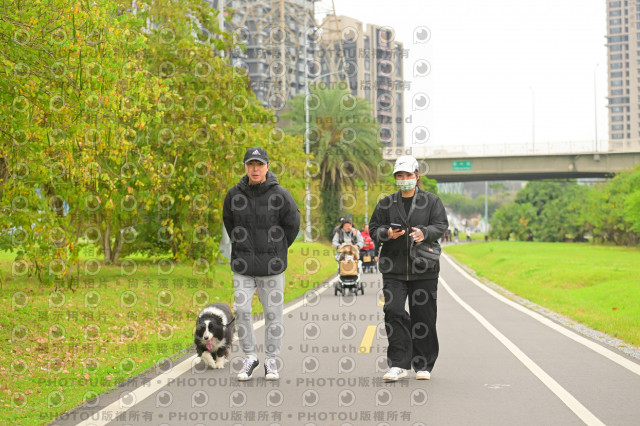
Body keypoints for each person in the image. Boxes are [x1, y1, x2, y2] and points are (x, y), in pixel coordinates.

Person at [223, 147, 300, 381]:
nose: (255, 169)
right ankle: (250, 357)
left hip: (272, 267)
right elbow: (229, 222)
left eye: (259, 164)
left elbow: (293, 223)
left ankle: (271, 360)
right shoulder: (234, 194)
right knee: (242, 309)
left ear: (267, 166)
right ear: (245, 167)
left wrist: (278, 248)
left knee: (273, 314)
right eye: (250, 164)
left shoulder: (280, 194)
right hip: (243, 266)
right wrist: (241, 244)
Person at [369, 155, 448, 381]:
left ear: (417, 175)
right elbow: (374, 228)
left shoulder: (432, 201)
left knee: (424, 316)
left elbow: (441, 225)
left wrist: (425, 232)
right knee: (393, 311)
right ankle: (398, 364)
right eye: (400, 176)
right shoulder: (386, 203)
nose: (404, 180)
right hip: (393, 268)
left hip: (424, 268)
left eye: (408, 175)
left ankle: (423, 364)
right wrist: (387, 233)